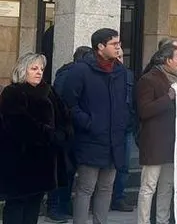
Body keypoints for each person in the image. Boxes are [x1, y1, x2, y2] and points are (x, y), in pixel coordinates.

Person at [63, 28, 130, 224]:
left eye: (119, 44)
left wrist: (122, 122)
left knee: (106, 188)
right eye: (114, 44)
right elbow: (69, 103)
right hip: (90, 140)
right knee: (85, 189)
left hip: (114, 141)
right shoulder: (81, 70)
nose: (119, 48)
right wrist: (88, 122)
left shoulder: (120, 71)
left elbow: (124, 102)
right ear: (100, 47)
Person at [0, 53, 72, 224]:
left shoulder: (49, 91)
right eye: (34, 68)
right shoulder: (13, 92)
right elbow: (18, 124)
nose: (39, 72)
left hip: (45, 162)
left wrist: (63, 134)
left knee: (34, 205)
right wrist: (50, 135)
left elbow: (65, 117)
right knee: (16, 205)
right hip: (19, 162)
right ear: (23, 70)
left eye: (41, 68)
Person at [136, 44, 177, 224]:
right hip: (155, 142)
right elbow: (144, 110)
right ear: (167, 60)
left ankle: (162, 220)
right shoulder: (149, 79)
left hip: (172, 142)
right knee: (149, 187)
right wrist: (168, 97)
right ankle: (144, 221)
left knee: (167, 187)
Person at [47, 46, 91, 222]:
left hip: (72, 130)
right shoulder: (68, 74)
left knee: (69, 170)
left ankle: (63, 205)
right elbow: (64, 101)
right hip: (66, 130)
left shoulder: (70, 73)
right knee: (62, 170)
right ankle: (55, 207)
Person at [111, 49, 136, 213]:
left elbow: (133, 100)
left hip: (126, 127)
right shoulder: (107, 75)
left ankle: (118, 198)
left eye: (121, 56)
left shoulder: (129, 75)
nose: (119, 60)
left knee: (124, 166)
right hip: (110, 127)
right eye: (116, 57)